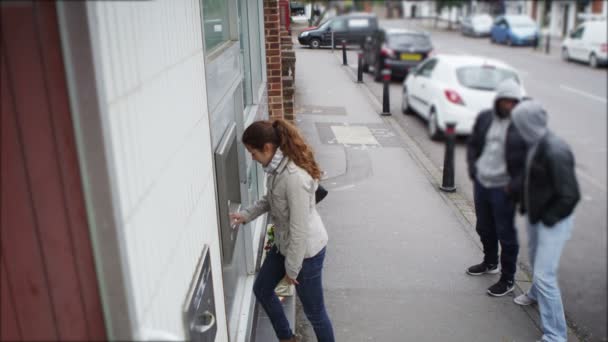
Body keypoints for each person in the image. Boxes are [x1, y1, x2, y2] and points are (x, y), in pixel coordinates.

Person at [230, 119, 335, 342]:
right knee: (262, 288)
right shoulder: (276, 169)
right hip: (284, 245)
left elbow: (300, 230)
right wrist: (246, 215)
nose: (252, 157)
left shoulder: (294, 178)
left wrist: (292, 270)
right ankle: (287, 338)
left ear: (267, 148)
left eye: (252, 152)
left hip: (306, 253)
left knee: (315, 313)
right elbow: (270, 199)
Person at [510, 100, 580, 342]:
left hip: (553, 221)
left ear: (529, 123)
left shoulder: (555, 150)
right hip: (537, 216)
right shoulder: (535, 143)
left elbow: (570, 195)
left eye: (519, 123)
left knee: (544, 275)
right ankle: (535, 294)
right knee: (536, 261)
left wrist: (547, 219)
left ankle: (556, 335)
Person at [466, 78, 527, 296]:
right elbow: (473, 144)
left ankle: (508, 278)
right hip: (483, 183)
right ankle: (490, 262)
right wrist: (473, 169)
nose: (509, 105)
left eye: (514, 102)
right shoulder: (485, 118)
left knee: (505, 234)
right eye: (505, 101)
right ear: (498, 100)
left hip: (504, 188)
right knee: (483, 226)